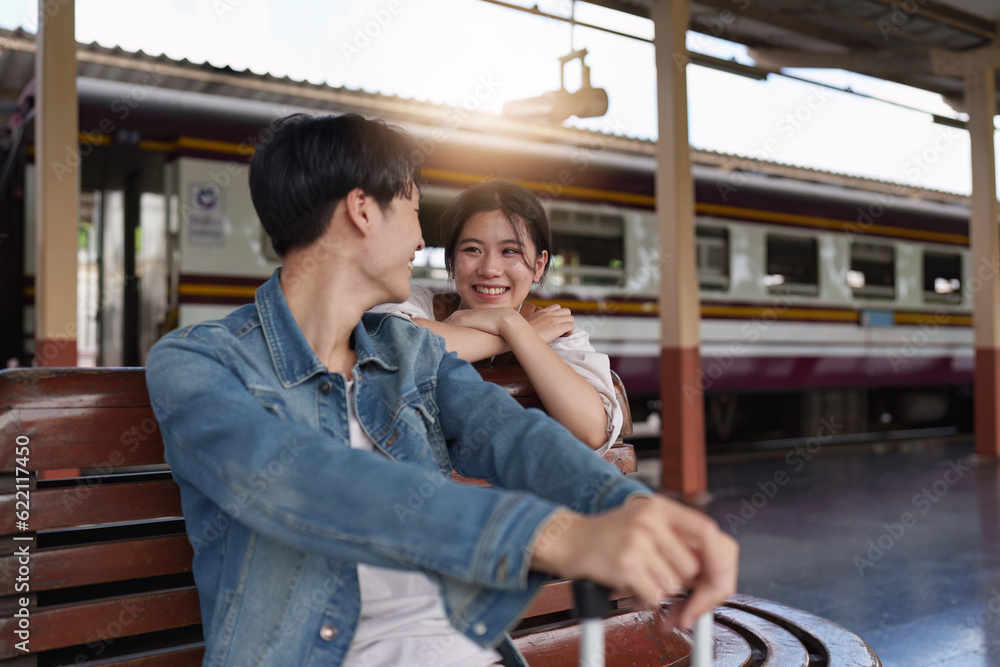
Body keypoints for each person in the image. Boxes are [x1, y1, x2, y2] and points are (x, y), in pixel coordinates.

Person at [145, 112, 738, 667]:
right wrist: (551, 534)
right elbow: (305, 482)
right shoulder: (200, 362)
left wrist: (632, 508)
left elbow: (516, 439)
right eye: (412, 208)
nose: (420, 239)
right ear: (362, 211)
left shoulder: (405, 352)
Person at [371, 180, 621, 452]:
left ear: (539, 265)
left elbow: (591, 431)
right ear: (451, 262)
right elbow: (398, 348)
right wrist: (518, 332)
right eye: (472, 250)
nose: (490, 269)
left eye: (509, 251)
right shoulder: (415, 303)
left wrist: (513, 326)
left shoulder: (558, 331)